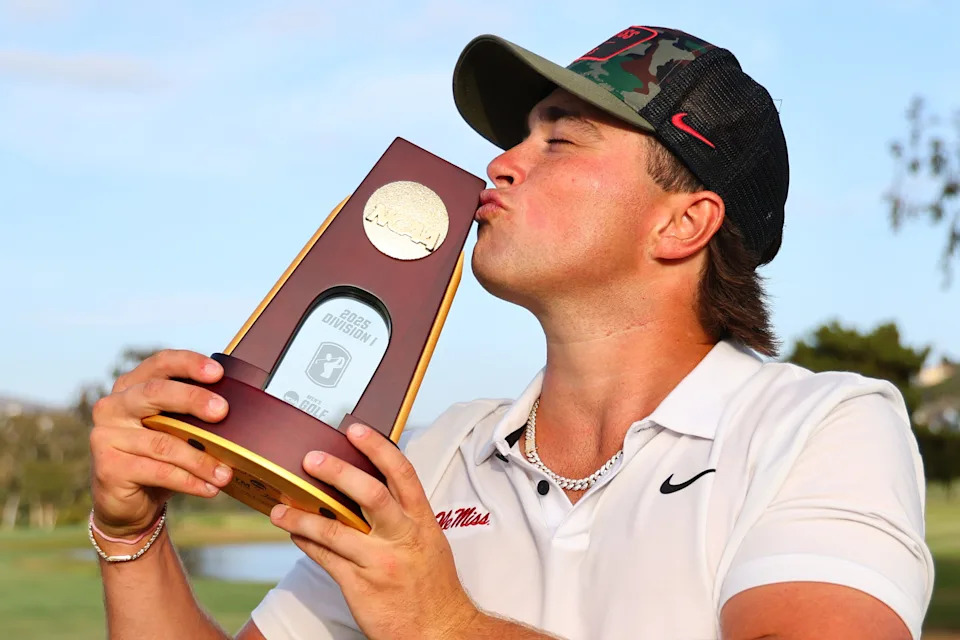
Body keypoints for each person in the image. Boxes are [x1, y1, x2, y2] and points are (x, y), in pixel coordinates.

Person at [88, 25, 933, 640]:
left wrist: (443, 625)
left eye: (560, 140)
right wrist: (131, 533)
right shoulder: (431, 456)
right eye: (517, 136)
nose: (501, 162)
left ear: (684, 223)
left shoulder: (820, 425)